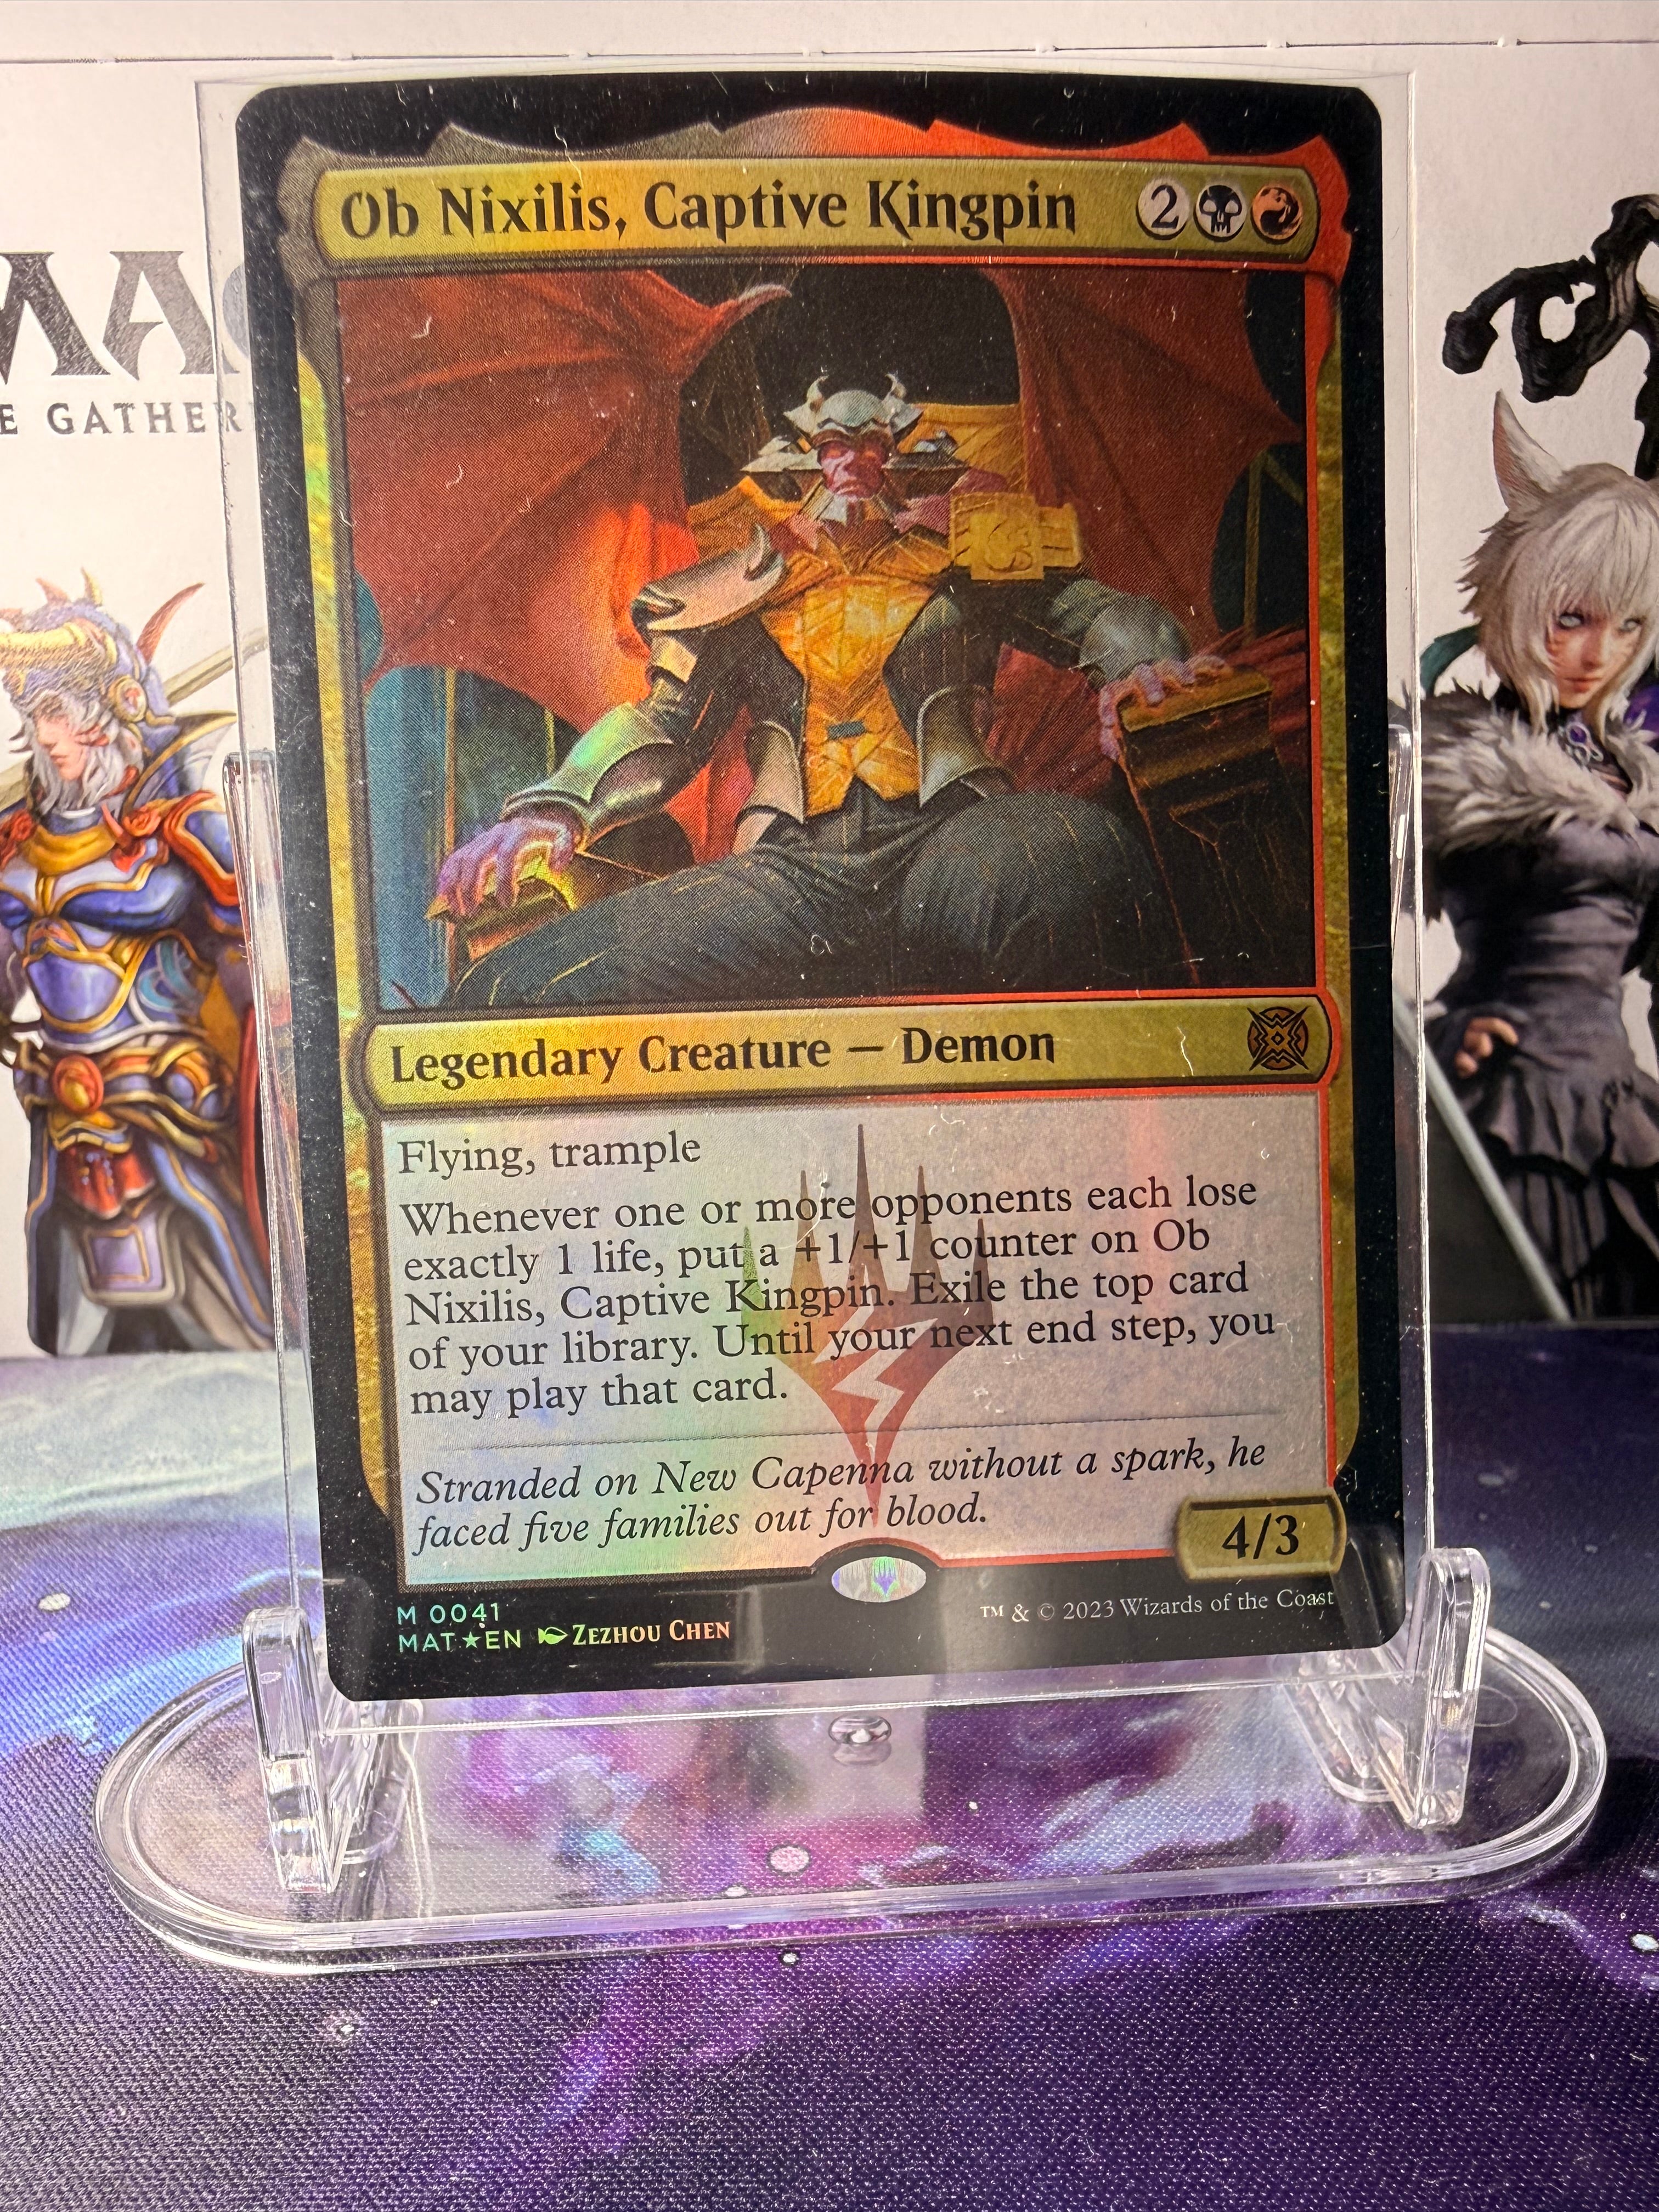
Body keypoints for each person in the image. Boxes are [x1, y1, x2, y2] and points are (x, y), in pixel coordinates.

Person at [435, 378, 1221, 1008]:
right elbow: (666, 726)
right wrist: (557, 806)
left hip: (954, 837)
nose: (854, 465)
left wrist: (1141, 668)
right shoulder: (743, 584)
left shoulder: (963, 552)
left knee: (1077, 861)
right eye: (836, 448)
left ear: (897, 455)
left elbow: (1098, 613)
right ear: (804, 460)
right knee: (515, 988)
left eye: (872, 445)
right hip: (790, 874)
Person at [1422, 395, 1659, 1317]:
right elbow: (1349, 943)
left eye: (1630, 626)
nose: (1600, 653)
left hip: (1618, 1108)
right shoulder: (1458, 754)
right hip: (1512, 1105)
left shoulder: (1633, 768)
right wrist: (1438, 1041)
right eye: (1573, 618)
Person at [0, 578, 272, 1352]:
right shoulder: (16, 841)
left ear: (113, 706)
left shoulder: (182, 831)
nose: (47, 736)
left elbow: (257, 974)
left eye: (61, 712)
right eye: (33, 715)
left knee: (232, 1316)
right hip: (63, 1107)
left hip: (171, 1098)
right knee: (76, 1320)